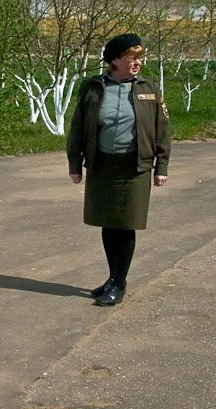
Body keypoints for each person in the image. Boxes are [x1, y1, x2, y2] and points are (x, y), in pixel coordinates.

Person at [67, 33, 170, 306]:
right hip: (102, 165)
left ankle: (120, 283)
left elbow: (162, 129)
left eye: (139, 57)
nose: (137, 62)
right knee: (108, 222)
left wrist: (162, 166)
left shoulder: (149, 88)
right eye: (131, 57)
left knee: (125, 225)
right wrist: (75, 164)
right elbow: (77, 128)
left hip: (134, 167)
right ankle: (112, 278)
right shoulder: (93, 88)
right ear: (114, 60)